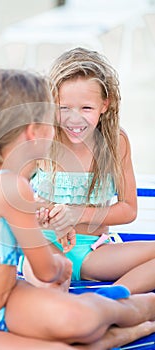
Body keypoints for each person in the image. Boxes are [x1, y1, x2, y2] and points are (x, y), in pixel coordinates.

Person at [0, 68, 155, 350]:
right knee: (70, 335)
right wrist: (61, 263)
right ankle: (124, 324)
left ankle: (123, 312)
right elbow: (46, 271)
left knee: (77, 318)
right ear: (35, 132)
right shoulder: (11, 187)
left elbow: (6, 237)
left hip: (7, 300)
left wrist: (51, 226)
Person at [23, 47, 155, 295]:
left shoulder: (116, 141)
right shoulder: (41, 139)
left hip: (94, 250)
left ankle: (113, 298)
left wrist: (77, 214)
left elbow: (128, 209)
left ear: (105, 105)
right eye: (64, 108)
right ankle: (72, 306)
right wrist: (38, 210)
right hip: (44, 246)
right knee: (49, 282)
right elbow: (8, 193)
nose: (75, 120)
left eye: (86, 108)